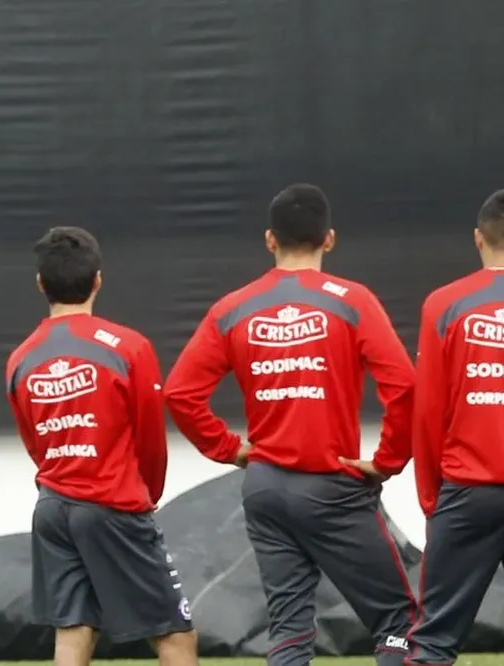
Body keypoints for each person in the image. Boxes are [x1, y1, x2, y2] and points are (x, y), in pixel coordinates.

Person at [163, 184, 417, 666]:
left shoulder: (234, 307)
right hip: (333, 487)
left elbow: (179, 393)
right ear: (329, 240)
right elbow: (404, 385)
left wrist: (232, 450)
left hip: (266, 488)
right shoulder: (353, 300)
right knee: (399, 623)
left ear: (268, 240)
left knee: (289, 629)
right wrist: (388, 461)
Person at [5, 227, 199, 666]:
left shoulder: (21, 357)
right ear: (97, 280)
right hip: (113, 504)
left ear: (40, 284)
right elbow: (150, 437)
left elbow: (34, 442)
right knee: (175, 633)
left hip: (53, 507)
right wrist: (146, 495)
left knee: (73, 629)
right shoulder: (128, 347)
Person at [406, 190, 504, 665]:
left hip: (467, 490)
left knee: (433, 642)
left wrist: (430, 496)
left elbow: (428, 410)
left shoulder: (444, 303)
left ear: (477, 239)